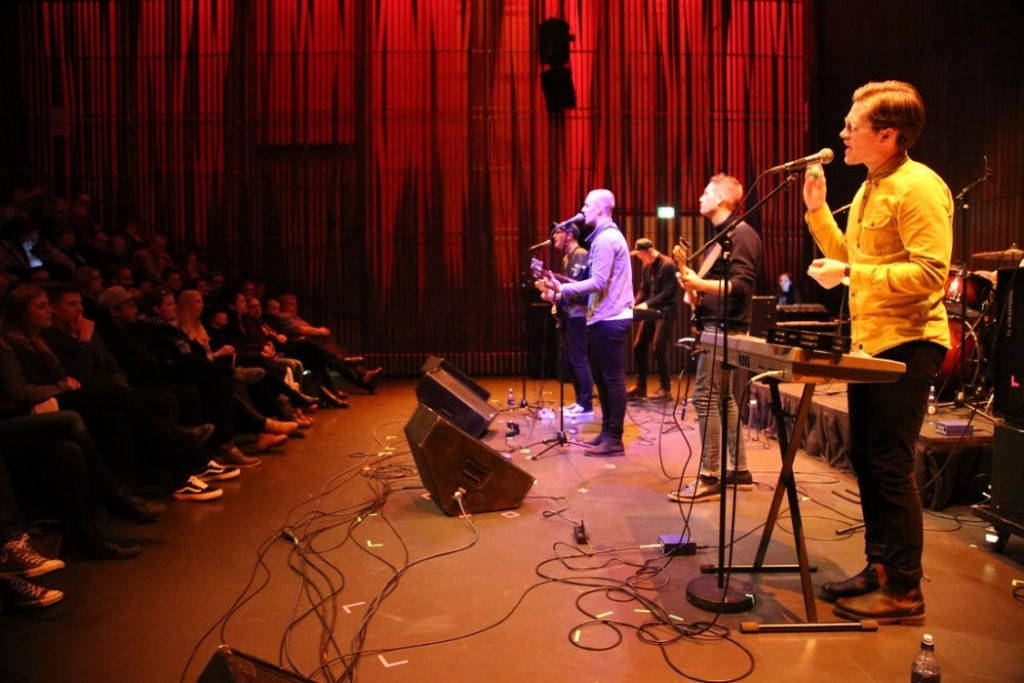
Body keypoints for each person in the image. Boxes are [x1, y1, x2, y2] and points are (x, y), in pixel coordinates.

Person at [802, 80, 951, 624]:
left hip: (909, 343)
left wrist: (852, 272)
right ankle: (879, 568)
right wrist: (818, 211)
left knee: (889, 465)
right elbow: (848, 257)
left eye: (852, 125)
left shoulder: (918, 187)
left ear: (887, 135)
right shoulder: (868, 187)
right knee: (866, 459)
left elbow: (932, 273)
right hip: (872, 345)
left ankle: (906, 590)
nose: (842, 132)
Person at [673, 174, 762, 502]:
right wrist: (692, 288)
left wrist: (699, 284)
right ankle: (739, 471)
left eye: (707, 191)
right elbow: (707, 295)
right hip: (713, 330)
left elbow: (741, 286)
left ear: (725, 199)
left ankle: (710, 475)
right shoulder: (719, 241)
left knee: (706, 398)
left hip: (726, 332)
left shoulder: (743, 235)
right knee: (723, 400)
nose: (700, 196)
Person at [537, 189, 633, 456]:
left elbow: (599, 283)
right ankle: (607, 432)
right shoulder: (604, 237)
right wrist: (560, 288)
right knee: (602, 378)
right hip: (604, 316)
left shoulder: (605, 239)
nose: (583, 210)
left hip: (610, 318)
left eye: (587, 205)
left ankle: (614, 438)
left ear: (600, 209)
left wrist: (563, 290)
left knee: (612, 379)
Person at [548, 224, 593, 417]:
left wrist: (557, 291)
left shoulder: (581, 254)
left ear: (570, 235)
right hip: (570, 313)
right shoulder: (567, 257)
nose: (554, 236)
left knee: (579, 358)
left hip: (579, 314)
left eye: (557, 232)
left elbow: (578, 287)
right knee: (573, 359)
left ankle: (586, 403)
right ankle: (579, 401)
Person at [627, 238, 679, 400]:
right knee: (638, 346)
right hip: (651, 311)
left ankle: (666, 389)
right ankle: (640, 387)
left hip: (666, 312)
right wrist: (634, 302)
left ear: (649, 252)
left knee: (658, 346)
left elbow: (668, 293)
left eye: (640, 254)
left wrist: (647, 304)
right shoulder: (646, 266)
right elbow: (644, 289)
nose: (639, 257)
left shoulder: (668, 265)